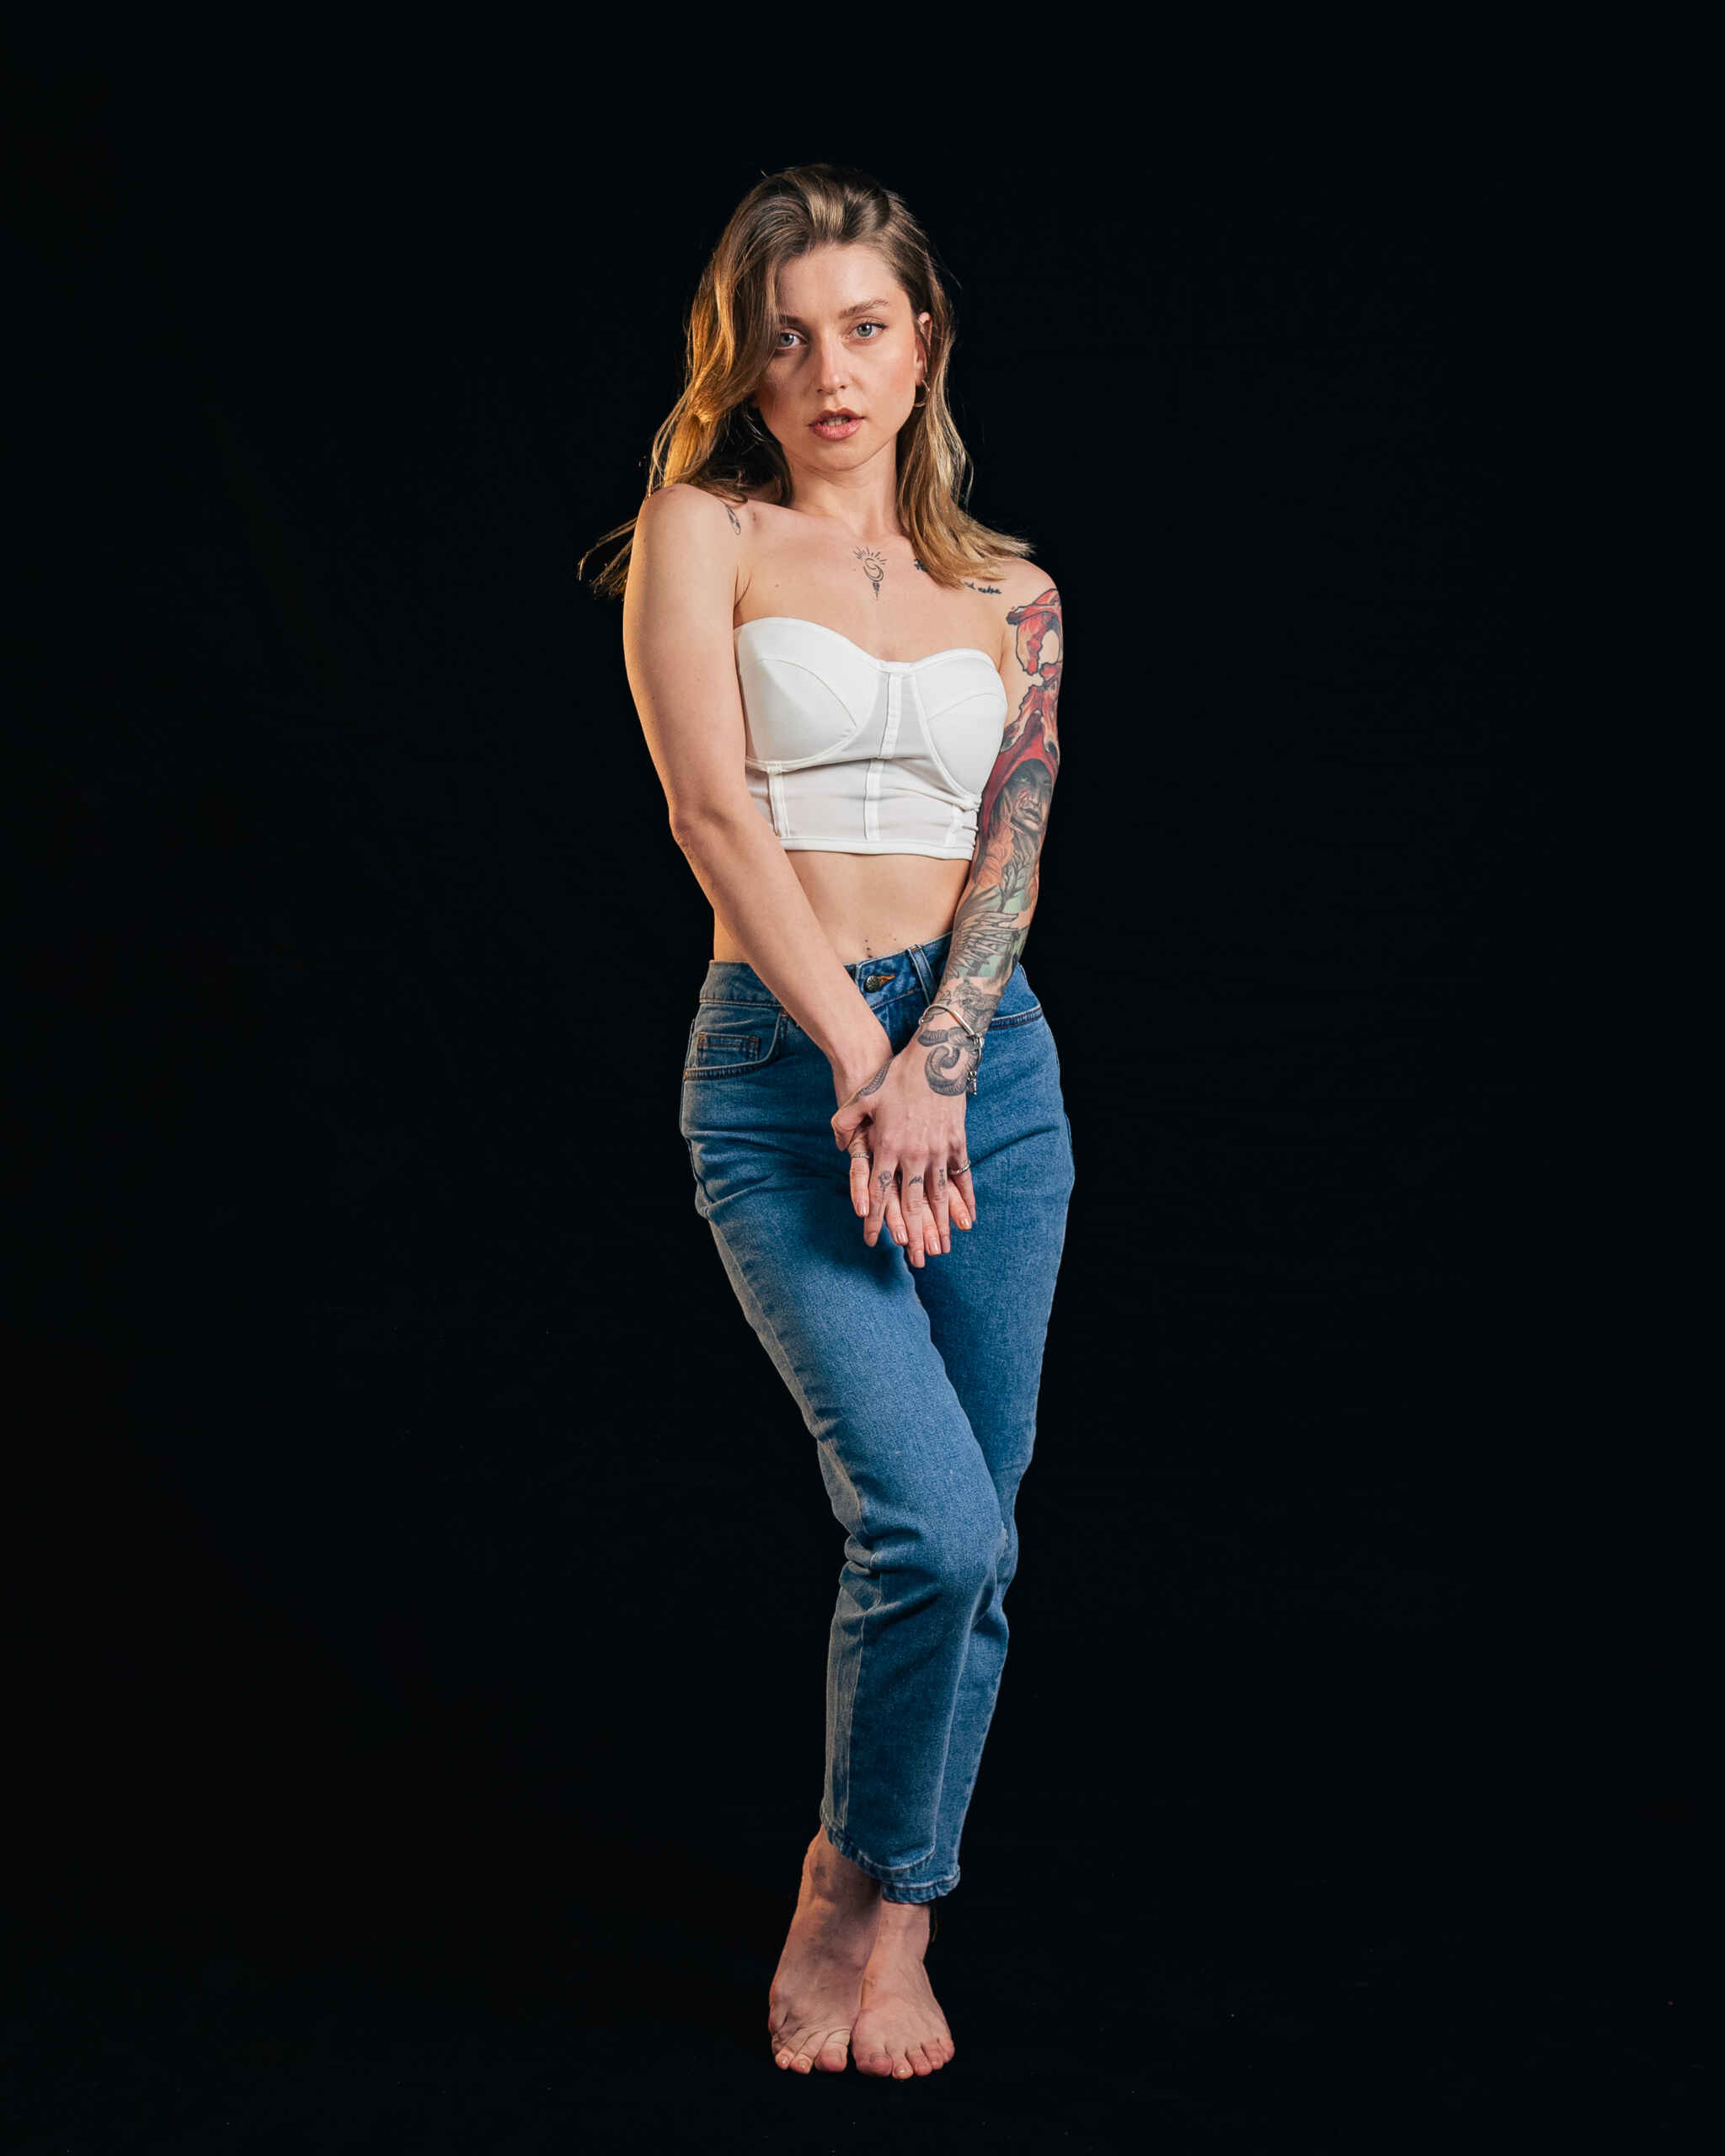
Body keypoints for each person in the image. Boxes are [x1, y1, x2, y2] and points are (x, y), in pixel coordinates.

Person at [582, 163, 1074, 2082]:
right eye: (787, 340)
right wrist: (867, 1063)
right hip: (789, 1078)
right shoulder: (702, 531)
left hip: (987, 1076)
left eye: (865, 328)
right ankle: (834, 1880)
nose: (830, 372)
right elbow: (711, 814)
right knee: (922, 1522)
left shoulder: (1014, 596)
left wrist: (938, 1059)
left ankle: (901, 1912)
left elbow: (1010, 856)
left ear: (923, 344)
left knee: (982, 1535)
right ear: (747, 367)